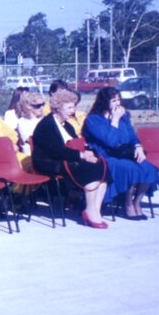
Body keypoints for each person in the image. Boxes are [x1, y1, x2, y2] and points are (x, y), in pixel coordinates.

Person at [30, 88, 109, 228]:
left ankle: (94, 210)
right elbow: (57, 151)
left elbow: (77, 142)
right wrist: (81, 156)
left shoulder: (67, 125)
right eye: (69, 107)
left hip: (66, 158)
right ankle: (90, 210)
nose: (73, 111)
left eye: (74, 107)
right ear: (58, 108)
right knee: (89, 168)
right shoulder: (46, 125)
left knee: (102, 165)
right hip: (48, 162)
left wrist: (89, 152)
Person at [82, 87, 159, 220]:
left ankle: (137, 203)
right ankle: (127, 204)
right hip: (106, 156)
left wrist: (138, 146)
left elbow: (131, 135)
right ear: (104, 102)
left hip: (124, 153)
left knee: (149, 169)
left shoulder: (124, 116)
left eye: (119, 100)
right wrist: (115, 120)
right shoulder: (93, 120)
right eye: (113, 100)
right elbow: (110, 141)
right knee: (131, 170)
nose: (117, 103)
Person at [15, 91, 46, 156]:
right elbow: (31, 140)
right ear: (28, 106)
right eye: (38, 106)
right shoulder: (22, 122)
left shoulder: (44, 120)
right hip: (31, 156)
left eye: (42, 104)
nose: (41, 107)